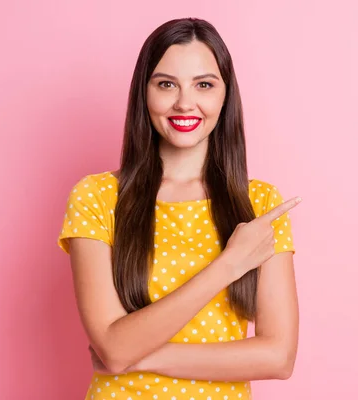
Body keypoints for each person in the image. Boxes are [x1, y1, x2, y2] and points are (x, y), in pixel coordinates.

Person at [57, 17, 301, 400]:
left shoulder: (261, 204)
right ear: (145, 92)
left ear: (225, 95)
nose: (185, 102)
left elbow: (277, 357)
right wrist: (229, 265)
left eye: (203, 84)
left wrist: (141, 357)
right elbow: (113, 346)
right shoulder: (97, 197)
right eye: (166, 84)